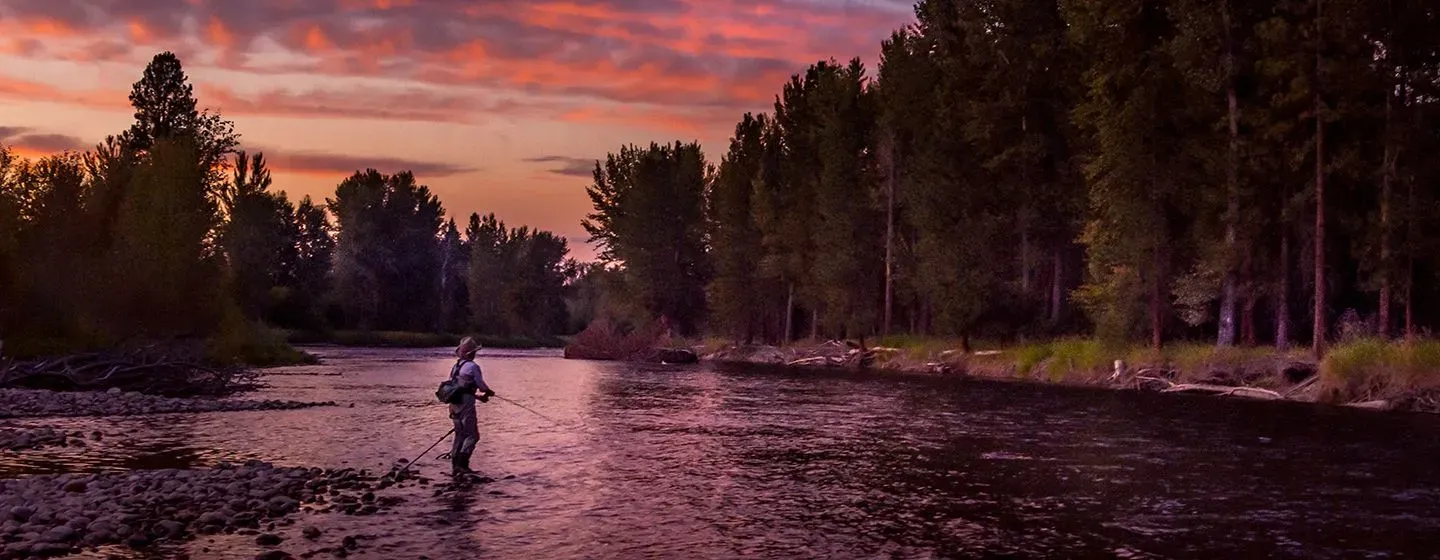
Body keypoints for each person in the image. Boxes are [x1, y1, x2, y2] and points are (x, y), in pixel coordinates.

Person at [447, 337, 494, 476]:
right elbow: (481, 385)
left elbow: (459, 387)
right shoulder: (473, 367)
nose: (475, 354)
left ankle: (455, 465)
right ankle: (463, 464)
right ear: (471, 353)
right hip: (466, 404)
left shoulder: (456, 366)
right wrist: (488, 392)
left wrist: (479, 397)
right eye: (474, 352)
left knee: (459, 434)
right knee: (473, 435)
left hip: (454, 403)